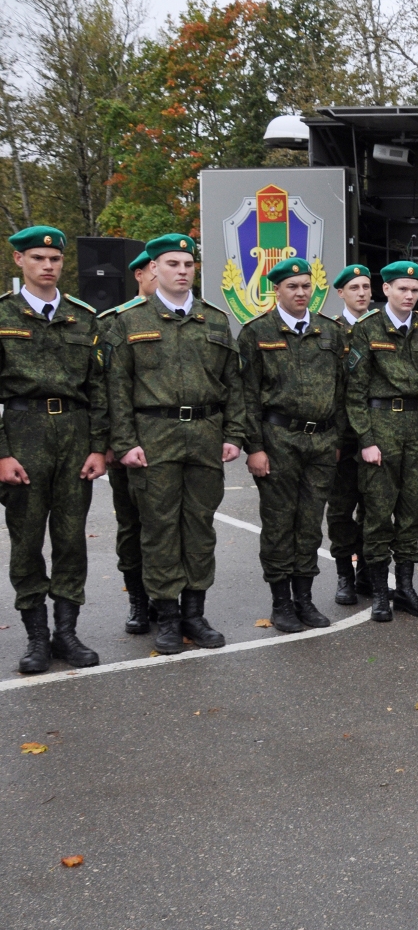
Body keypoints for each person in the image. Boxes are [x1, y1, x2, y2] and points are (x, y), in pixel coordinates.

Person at [108, 233, 247, 654]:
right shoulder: (129, 321)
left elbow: (233, 384)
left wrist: (234, 434)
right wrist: (125, 442)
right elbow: (116, 388)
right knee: (159, 530)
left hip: (205, 437)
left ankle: (195, 614)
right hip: (154, 438)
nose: (182, 271)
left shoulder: (216, 319)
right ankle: (166, 617)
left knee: (199, 529)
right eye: (172, 264)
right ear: (153, 269)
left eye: (188, 265)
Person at [2, 226, 106, 673]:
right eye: (38, 258)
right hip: (22, 433)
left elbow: (100, 388)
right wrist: (1, 453)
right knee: (26, 539)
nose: (48, 266)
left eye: (55, 259)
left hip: (75, 433)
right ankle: (37, 637)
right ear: (19, 261)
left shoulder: (84, 317)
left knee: (70, 540)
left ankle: (66, 633)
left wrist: (99, 447)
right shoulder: (3, 315)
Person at [238, 258, 347, 633]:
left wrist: (338, 439)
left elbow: (343, 390)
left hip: (322, 441)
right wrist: (254, 446)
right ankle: (281, 603)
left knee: (310, 523)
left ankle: (305, 598)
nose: (301, 292)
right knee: (279, 522)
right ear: (277, 290)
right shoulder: (257, 332)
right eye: (292, 286)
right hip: (277, 440)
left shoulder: (330, 332)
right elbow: (247, 395)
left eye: (306, 286)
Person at [346, 261, 418, 623]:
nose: (409, 295)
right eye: (402, 289)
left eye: (415, 290)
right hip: (380, 430)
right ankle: (379, 594)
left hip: (417, 429)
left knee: (408, 514)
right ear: (385, 289)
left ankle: (405, 589)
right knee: (376, 515)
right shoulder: (367, 329)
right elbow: (354, 393)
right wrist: (366, 440)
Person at [103, 248, 156, 634]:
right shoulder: (113, 322)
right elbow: (106, 388)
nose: (160, 275)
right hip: (129, 440)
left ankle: (171, 598)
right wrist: (112, 442)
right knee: (133, 525)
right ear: (139, 274)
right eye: (152, 269)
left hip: (172, 439)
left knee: (172, 527)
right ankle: (139, 600)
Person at [326, 264, 375, 605]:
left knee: (374, 508)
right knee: (342, 510)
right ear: (341, 293)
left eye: (366, 287)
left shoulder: (382, 328)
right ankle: (345, 574)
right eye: (354, 288)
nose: (361, 293)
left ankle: (367, 573)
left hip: (377, 433)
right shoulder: (328, 332)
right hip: (342, 438)